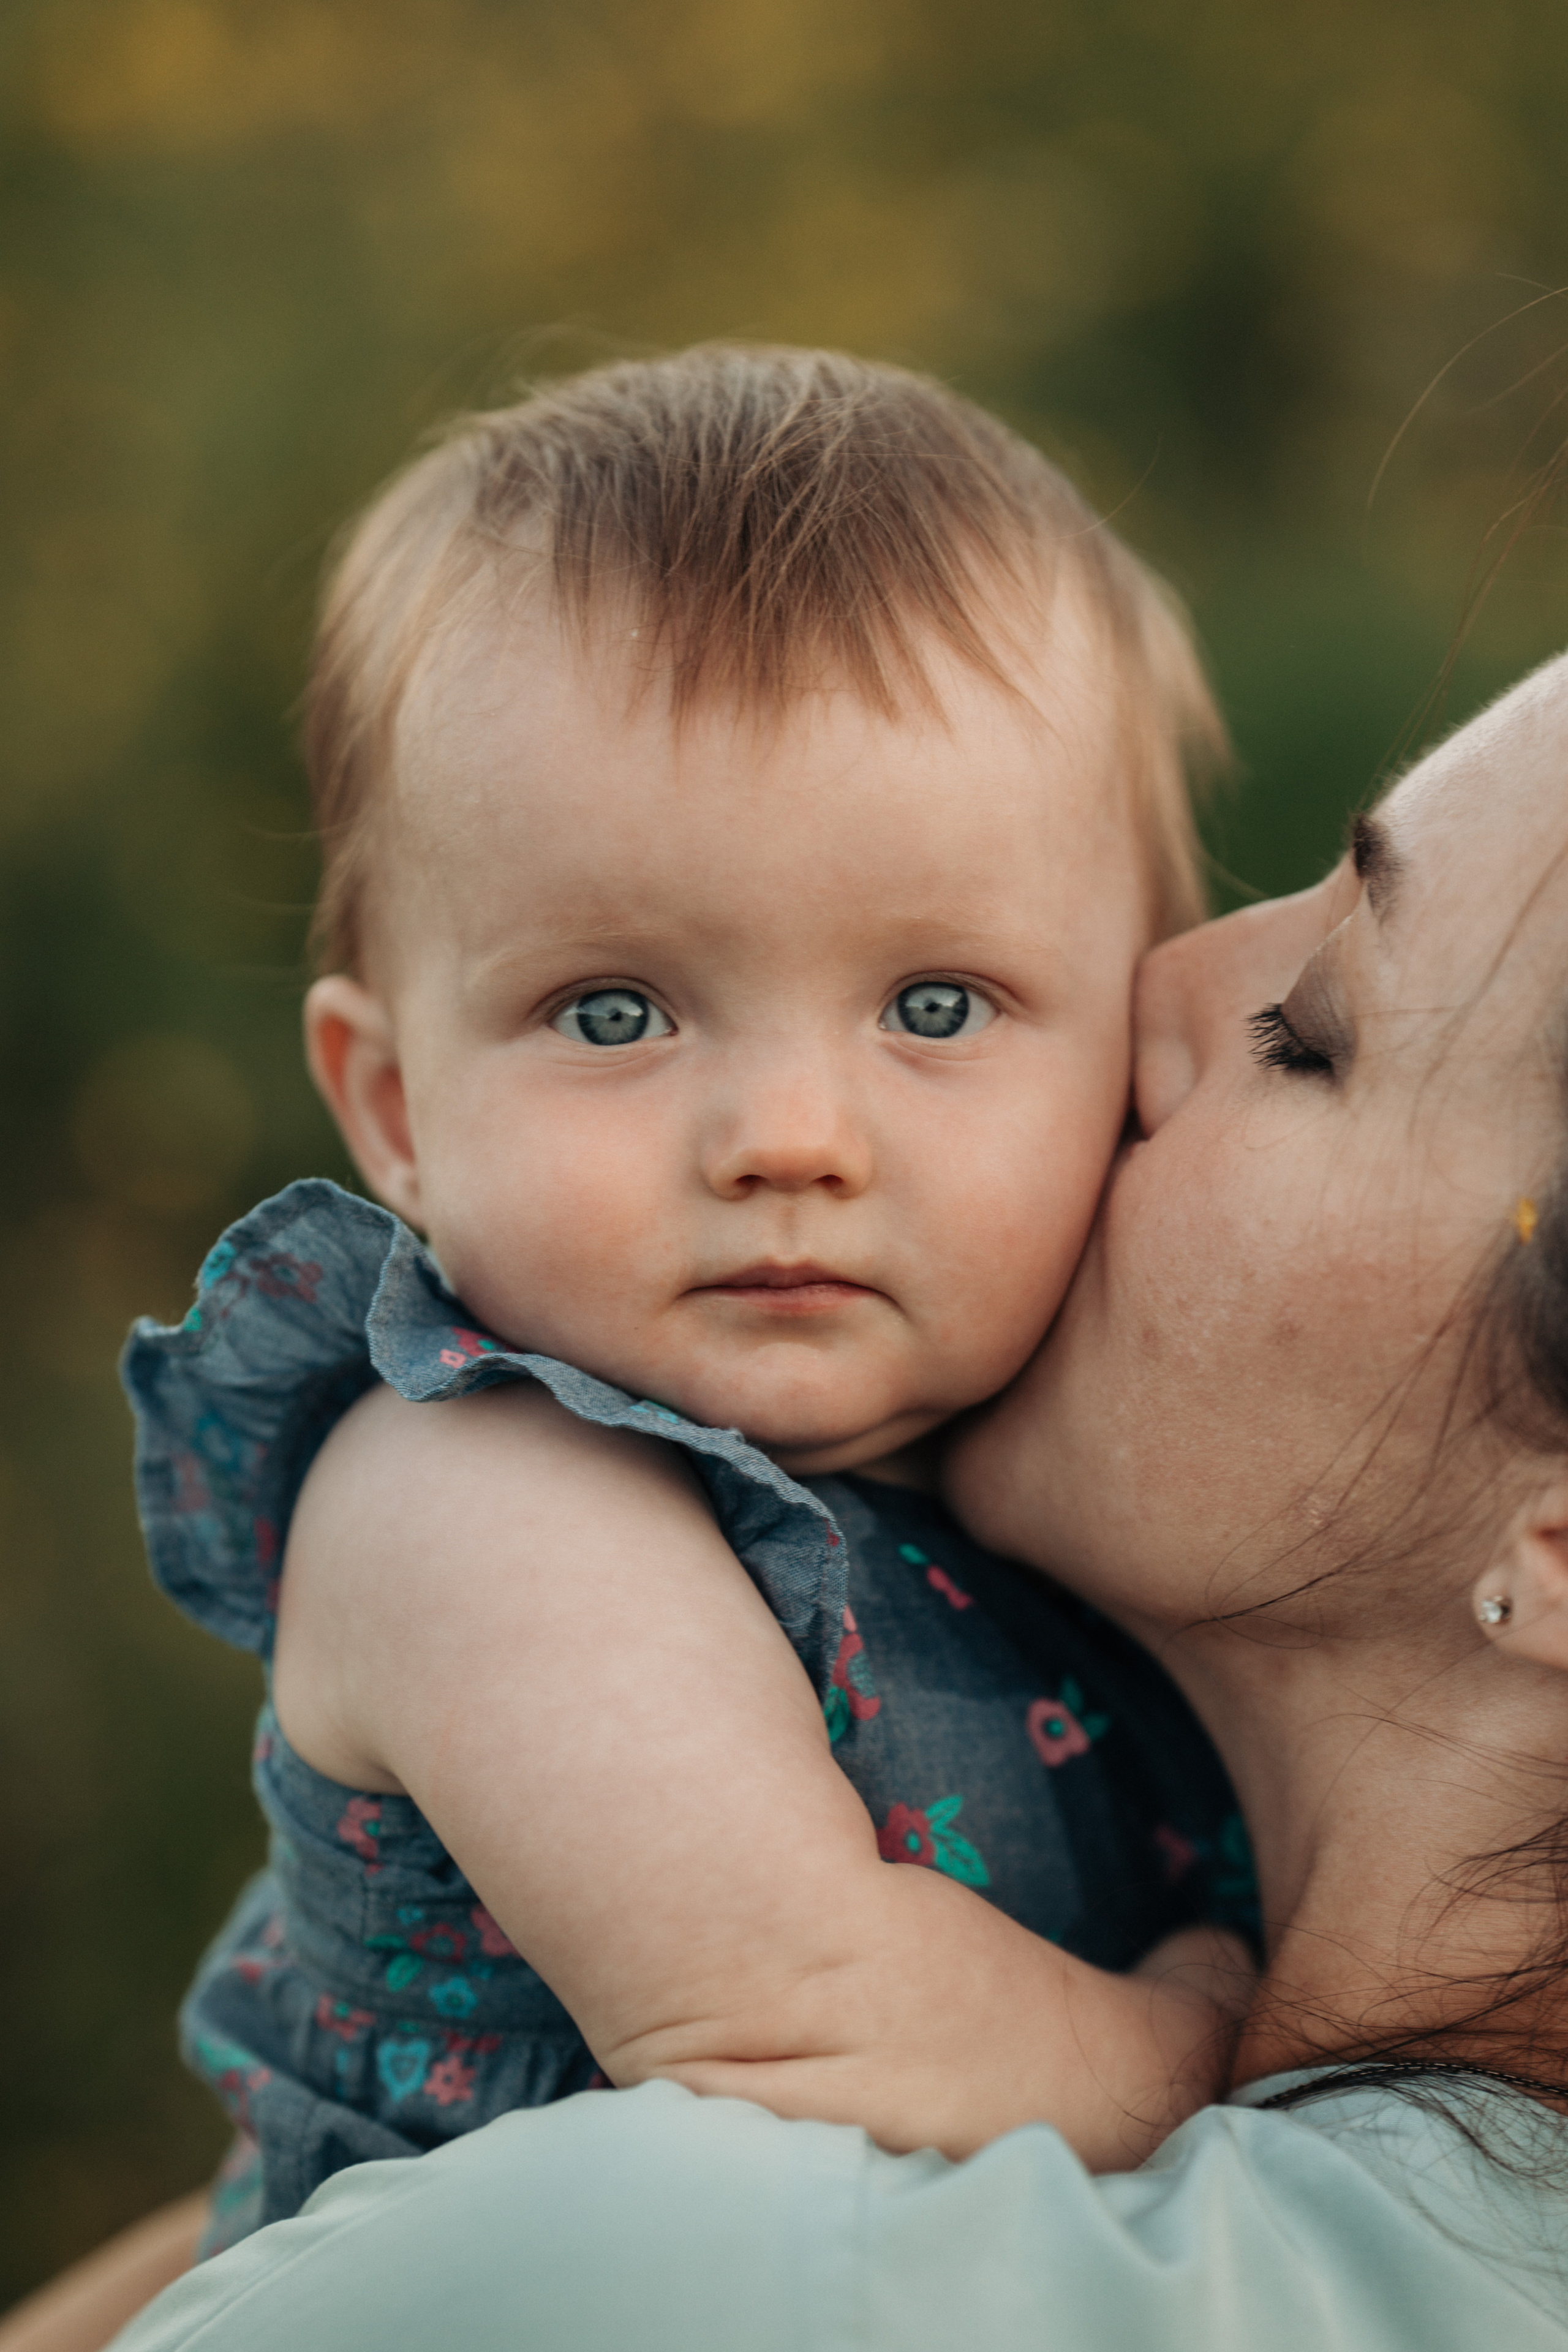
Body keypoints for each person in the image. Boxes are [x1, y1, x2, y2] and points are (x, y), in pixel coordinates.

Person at [110, 641, 1568, 2352]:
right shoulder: (510, 1480)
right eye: (610, 1013)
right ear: (388, 1100)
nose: (1153, 992)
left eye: (1309, 1033)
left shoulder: (696, 2273)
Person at [118, 343, 1253, 2261]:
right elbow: (791, 2013)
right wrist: (1232, 2045)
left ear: (1130, 1047)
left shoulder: (1072, 1463)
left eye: (937, 1006)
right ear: (396, 1107)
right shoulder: (473, 1495)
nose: (787, 1138)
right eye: (615, 1013)